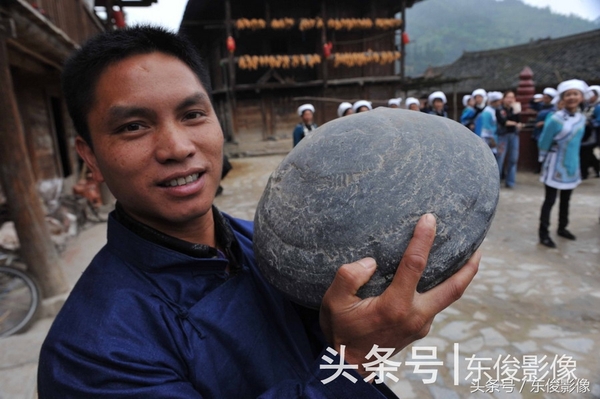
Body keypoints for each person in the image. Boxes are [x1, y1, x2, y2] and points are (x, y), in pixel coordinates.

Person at [37, 26, 479, 398]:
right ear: (90, 156)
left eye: (192, 114)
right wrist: (355, 362)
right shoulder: (91, 354)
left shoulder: (269, 246)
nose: (177, 147)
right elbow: (344, 364)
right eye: (133, 126)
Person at [537, 79, 588, 248]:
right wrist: (543, 158)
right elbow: (544, 141)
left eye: (575, 94)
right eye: (568, 94)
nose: (572, 97)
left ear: (581, 97)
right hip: (554, 165)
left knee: (566, 199)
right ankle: (543, 233)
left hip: (572, 165)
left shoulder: (581, 118)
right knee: (550, 200)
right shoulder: (555, 119)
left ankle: (562, 227)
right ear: (562, 98)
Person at [495, 90, 523, 188]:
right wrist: (515, 123)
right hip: (503, 136)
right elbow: (503, 122)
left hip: (514, 135)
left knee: (513, 159)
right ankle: (495, 183)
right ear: (504, 99)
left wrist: (517, 112)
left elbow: (519, 121)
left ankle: (510, 181)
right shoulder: (499, 109)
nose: (510, 99)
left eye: (512, 97)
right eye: (508, 97)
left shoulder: (514, 109)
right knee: (500, 159)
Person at [580, 85, 600, 179]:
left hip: (594, 134)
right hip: (587, 134)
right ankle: (596, 169)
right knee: (588, 153)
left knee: (586, 153)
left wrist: (590, 122)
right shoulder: (588, 107)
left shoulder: (598, 107)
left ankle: (585, 173)